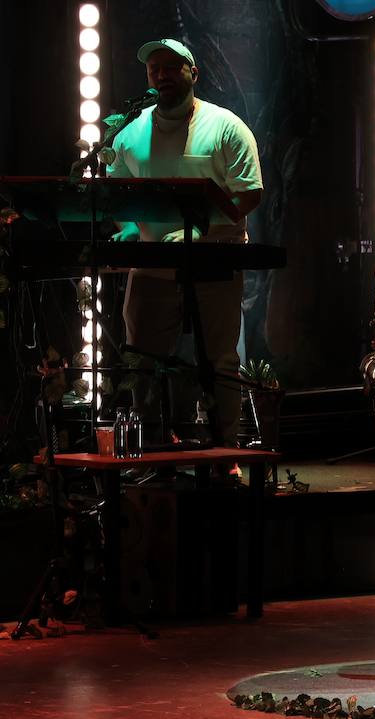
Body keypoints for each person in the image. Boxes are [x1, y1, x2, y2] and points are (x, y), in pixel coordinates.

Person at [108, 37, 263, 449]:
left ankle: (223, 450)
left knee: (219, 362)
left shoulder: (225, 127)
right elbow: (116, 191)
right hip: (153, 264)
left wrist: (201, 228)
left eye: (172, 67)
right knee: (143, 360)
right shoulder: (129, 134)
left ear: (194, 73)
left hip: (214, 258)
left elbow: (248, 193)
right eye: (154, 68)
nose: (162, 75)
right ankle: (151, 449)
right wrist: (126, 225)